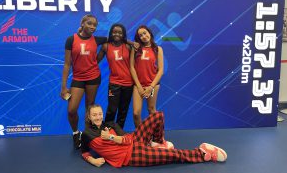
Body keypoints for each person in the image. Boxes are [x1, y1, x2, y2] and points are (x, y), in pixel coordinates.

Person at [81, 104, 227, 168]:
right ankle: (202, 154)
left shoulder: (111, 124)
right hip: (131, 156)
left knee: (158, 115)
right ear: (89, 116)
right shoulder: (87, 134)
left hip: (134, 140)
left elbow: (127, 139)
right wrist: (93, 161)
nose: (98, 116)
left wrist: (111, 137)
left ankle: (157, 142)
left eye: (100, 113)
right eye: (94, 114)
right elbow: (84, 152)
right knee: (171, 155)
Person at [60, 14, 107, 149]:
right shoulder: (71, 39)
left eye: (95, 25)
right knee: (72, 109)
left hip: (93, 78)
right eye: (89, 23)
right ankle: (76, 133)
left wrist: (131, 43)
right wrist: (64, 87)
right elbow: (67, 64)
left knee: (89, 107)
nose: (92, 27)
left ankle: (88, 135)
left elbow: (115, 39)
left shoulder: (97, 40)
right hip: (78, 79)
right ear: (82, 23)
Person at [97, 23, 134, 129]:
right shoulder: (106, 46)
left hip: (128, 83)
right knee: (112, 109)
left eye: (120, 32)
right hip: (114, 83)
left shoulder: (128, 46)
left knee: (123, 109)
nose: (117, 34)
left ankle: (118, 131)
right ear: (111, 33)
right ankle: (107, 130)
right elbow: (95, 61)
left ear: (123, 34)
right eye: (114, 32)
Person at [130, 25, 164, 127]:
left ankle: (157, 137)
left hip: (152, 85)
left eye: (145, 33)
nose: (144, 36)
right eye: (140, 35)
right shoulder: (136, 49)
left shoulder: (158, 49)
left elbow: (161, 70)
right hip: (138, 85)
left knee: (151, 109)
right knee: (136, 113)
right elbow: (131, 67)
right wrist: (139, 86)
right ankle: (141, 136)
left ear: (149, 33)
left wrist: (150, 87)